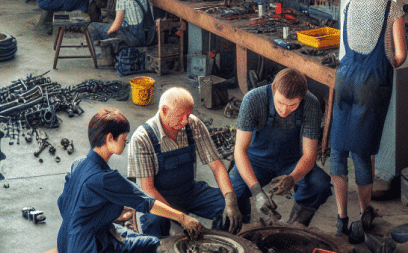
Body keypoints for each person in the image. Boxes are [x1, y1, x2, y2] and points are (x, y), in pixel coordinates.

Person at [330, 0, 406, 243]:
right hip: (372, 82)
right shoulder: (392, 8)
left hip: (345, 76)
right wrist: (384, 66)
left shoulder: (349, 7)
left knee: (338, 150)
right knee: (361, 152)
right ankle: (364, 215)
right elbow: (400, 55)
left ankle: (341, 219)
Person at [57, 108, 204, 253]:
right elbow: (147, 202)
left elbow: (63, 203)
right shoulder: (105, 178)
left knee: (131, 235)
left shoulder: (78, 163)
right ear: (109, 138)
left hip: (65, 241)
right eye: (124, 138)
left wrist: (100, 217)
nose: (126, 141)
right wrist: (183, 218)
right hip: (89, 247)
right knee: (154, 244)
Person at [127, 87, 242, 238]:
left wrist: (230, 198)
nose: (185, 120)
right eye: (181, 116)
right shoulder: (142, 138)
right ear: (164, 110)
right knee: (156, 221)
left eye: (188, 115)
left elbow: (217, 166)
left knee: (228, 209)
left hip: (190, 192)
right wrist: (181, 218)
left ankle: (218, 243)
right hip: (159, 197)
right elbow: (148, 189)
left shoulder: (192, 124)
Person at [229, 68, 332, 227]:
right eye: (280, 103)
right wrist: (257, 192)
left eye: (292, 105)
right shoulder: (253, 100)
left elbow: (310, 155)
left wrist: (293, 178)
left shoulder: (311, 104)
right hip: (256, 160)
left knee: (319, 184)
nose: (285, 110)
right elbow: (240, 150)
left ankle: (294, 228)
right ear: (273, 89)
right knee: (233, 192)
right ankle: (244, 229)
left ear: (302, 98)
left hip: (290, 162)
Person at [88, 0, 157, 47]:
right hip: (148, 38)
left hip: (133, 38)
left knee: (93, 27)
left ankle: (103, 56)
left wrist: (107, 33)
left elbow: (116, 26)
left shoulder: (122, 0)